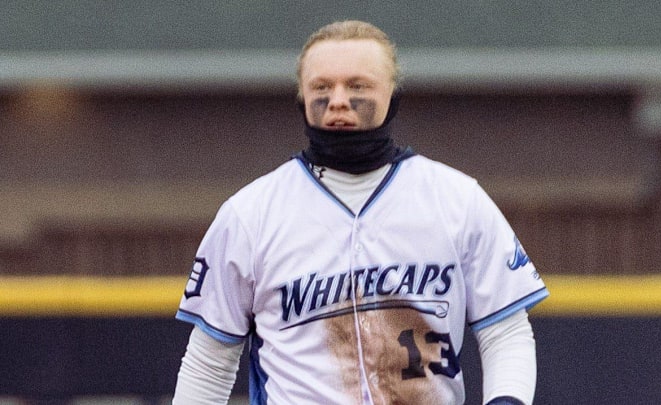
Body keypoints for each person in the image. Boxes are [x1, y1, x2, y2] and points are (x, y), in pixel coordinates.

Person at [172, 20, 548, 405]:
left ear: (392, 95)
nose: (338, 99)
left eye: (358, 86)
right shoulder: (249, 215)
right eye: (322, 86)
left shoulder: (457, 199)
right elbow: (210, 363)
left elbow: (506, 332)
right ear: (301, 97)